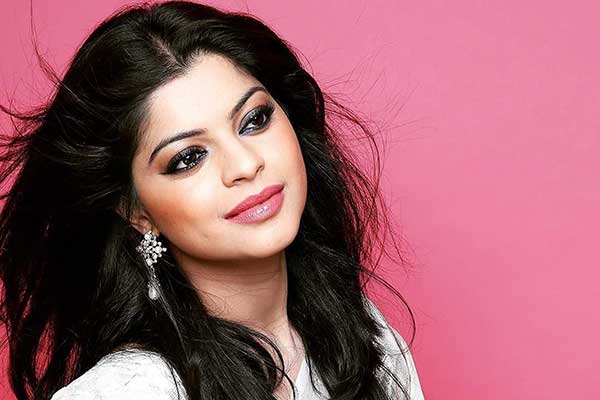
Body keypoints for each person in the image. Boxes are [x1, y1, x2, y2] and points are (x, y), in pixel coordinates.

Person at [0, 1, 425, 399]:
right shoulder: (131, 390)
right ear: (136, 211)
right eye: (189, 157)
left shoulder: (368, 341)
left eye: (254, 120)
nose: (245, 164)